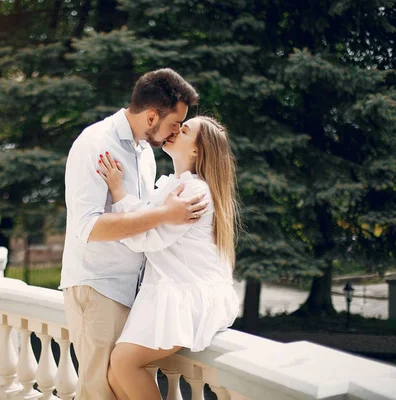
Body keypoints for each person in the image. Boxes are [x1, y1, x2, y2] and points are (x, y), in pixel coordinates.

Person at [60, 68, 207, 400]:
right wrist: (166, 214)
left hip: (134, 293)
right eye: (174, 124)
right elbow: (89, 227)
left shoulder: (144, 154)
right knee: (98, 392)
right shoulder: (97, 143)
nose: (174, 133)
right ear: (152, 116)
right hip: (99, 288)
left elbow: (137, 219)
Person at [96, 116, 240, 400]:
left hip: (185, 296)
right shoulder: (177, 184)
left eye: (184, 130)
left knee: (124, 363)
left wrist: (117, 194)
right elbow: (147, 217)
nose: (175, 130)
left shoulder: (195, 191)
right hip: (167, 290)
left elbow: (147, 236)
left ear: (197, 149)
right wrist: (121, 192)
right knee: (115, 372)